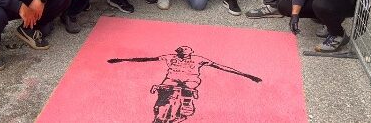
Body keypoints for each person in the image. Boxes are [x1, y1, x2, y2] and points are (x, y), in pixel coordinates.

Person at [107, 46, 261, 122]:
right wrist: (122, 60)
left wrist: (246, 75)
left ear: (190, 54)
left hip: (189, 81)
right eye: (181, 55)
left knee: (188, 88)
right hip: (171, 80)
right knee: (163, 92)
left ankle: (187, 104)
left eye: (185, 55)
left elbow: (220, 66)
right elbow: (147, 59)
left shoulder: (199, 59)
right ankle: (159, 112)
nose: (183, 57)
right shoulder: (169, 57)